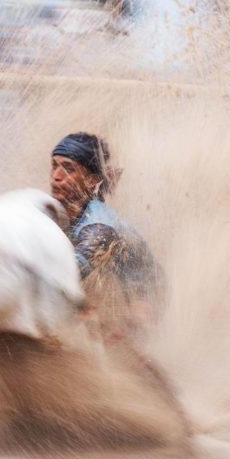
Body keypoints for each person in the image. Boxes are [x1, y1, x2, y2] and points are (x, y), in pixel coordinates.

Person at [49, 132, 161, 329]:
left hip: (147, 295)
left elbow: (69, 273)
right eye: (54, 165)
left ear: (91, 181)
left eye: (68, 168)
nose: (56, 176)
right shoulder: (60, 210)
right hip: (113, 284)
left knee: (131, 325)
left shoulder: (99, 229)